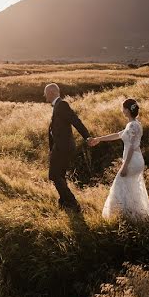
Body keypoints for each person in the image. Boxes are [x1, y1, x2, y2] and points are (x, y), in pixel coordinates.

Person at [88, 98, 149, 226]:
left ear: (127, 110)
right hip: (137, 160)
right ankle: (134, 217)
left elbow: (132, 147)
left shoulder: (133, 125)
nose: (122, 110)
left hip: (132, 161)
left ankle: (124, 217)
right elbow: (118, 135)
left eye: (123, 108)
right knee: (131, 189)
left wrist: (124, 165)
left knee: (119, 186)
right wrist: (99, 139)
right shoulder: (134, 124)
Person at [44, 83, 91, 213]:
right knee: (59, 175)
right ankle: (64, 201)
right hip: (60, 147)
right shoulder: (58, 106)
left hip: (63, 148)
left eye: (45, 93)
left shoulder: (62, 105)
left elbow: (76, 121)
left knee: (54, 175)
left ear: (51, 93)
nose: (44, 96)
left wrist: (87, 137)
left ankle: (71, 202)